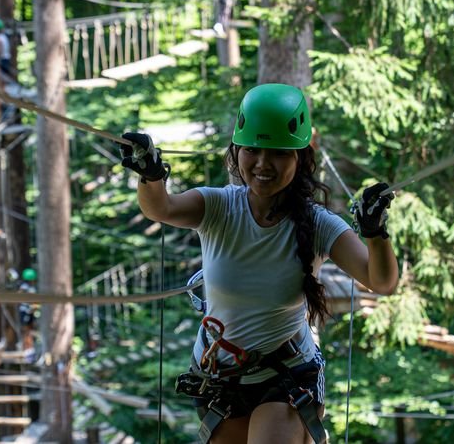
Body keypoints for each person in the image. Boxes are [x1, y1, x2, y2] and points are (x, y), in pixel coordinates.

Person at [119, 83, 399, 444]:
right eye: (252, 149)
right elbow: (161, 207)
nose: (263, 163)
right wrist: (151, 176)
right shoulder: (218, 207)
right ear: (237, 151)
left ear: (301, 158)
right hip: (220, 379)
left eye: (278, 153)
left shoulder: (319, 225)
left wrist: (375, 234)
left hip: (285, 377)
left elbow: (381, 281)